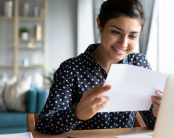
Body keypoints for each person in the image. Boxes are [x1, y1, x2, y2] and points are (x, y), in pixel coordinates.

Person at [35, 0, 163, 134]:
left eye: (132, 36)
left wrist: (159, 114)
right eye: (116, 32)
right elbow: (43, 124)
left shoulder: (139, 64)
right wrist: (76, 113)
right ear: (100, 24)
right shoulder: (71, 69)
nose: (123, 43)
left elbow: (152, 123)